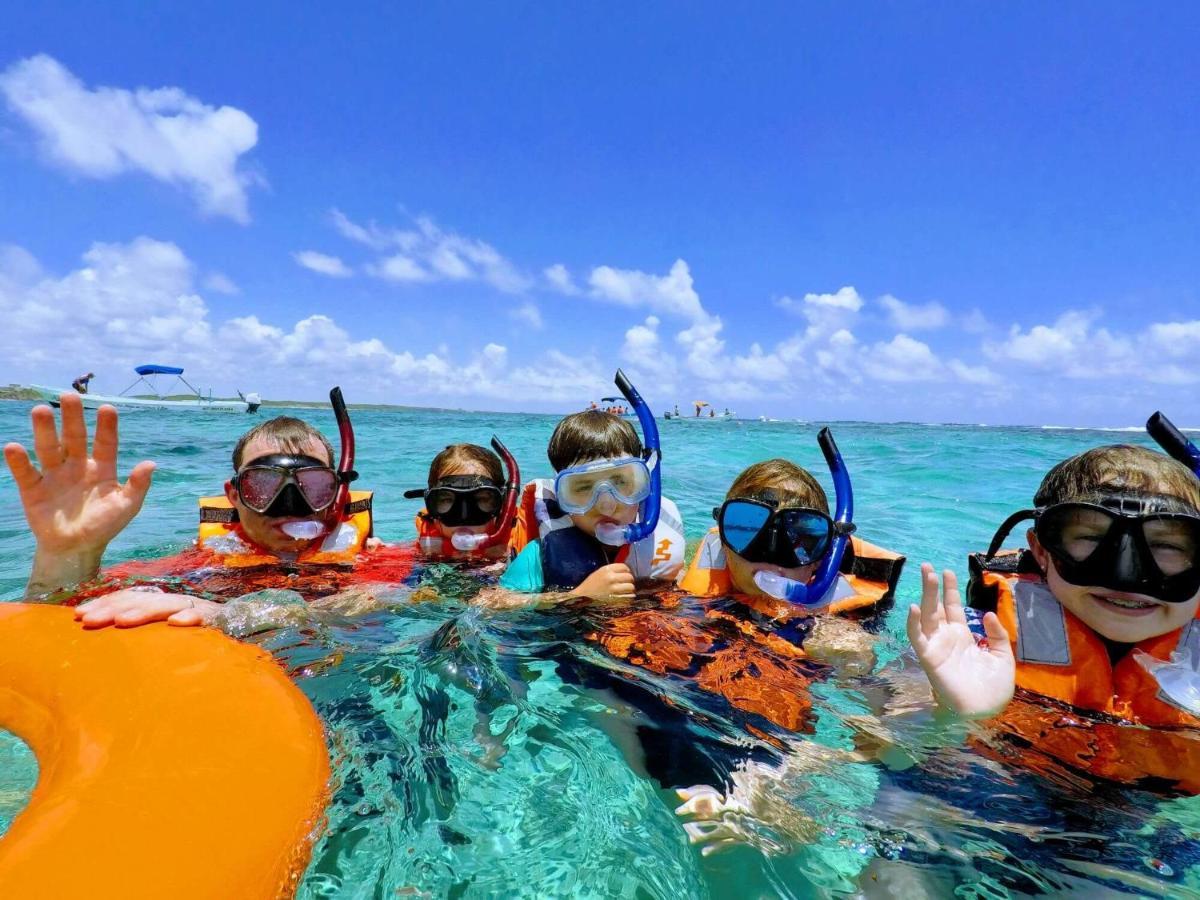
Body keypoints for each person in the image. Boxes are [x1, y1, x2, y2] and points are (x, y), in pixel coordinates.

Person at [909, 443, 1200, 792]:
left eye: (1168, 545)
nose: (1127, 574)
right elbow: (885, 753)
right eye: (1091, 537)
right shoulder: (972, 640)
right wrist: (949, 715)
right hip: (1001, 797)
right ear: (1042, 550)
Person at [5, 390, 398, 629]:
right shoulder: (197, 566)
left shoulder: (371, 562)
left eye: (313, 487)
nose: (290, 506)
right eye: (263, 486)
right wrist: (67, 555)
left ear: (337, 493)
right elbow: (57, 613)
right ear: (233, 494)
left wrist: (227, 614)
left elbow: (406, 601)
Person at [495, 373, 684, 602]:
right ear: (561, 494)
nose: (607, 504)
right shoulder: (538, 557)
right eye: (584, 488)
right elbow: (493, 604)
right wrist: (577, 596)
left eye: (622, 482)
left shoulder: (660, 544)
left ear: (644, 483)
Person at [405, 440, 518, 561]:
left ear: (503, 503)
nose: (464, 516)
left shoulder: (526, 553)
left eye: (482, 499)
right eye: (447, 500)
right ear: (431, 504)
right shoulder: (423, 551)